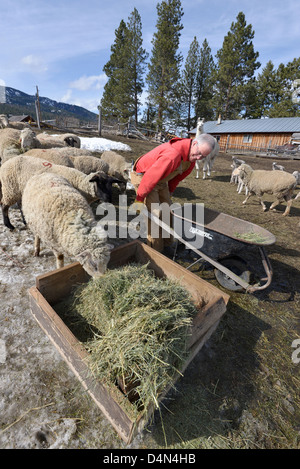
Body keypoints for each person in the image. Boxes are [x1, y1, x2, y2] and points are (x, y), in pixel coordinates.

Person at [130, 133, 216, 253]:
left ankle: (167, 244)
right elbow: (150, 178)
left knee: (168, 211)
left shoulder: (190, 159)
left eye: (203, 156)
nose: (199, 158)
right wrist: (139, 198)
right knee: (155, 214)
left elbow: (176, 178)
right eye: (199, 153)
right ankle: (155, 251)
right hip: (144, 176)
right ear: (195, 144)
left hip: (161, 179)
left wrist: (169, 193)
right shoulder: (172, 155)